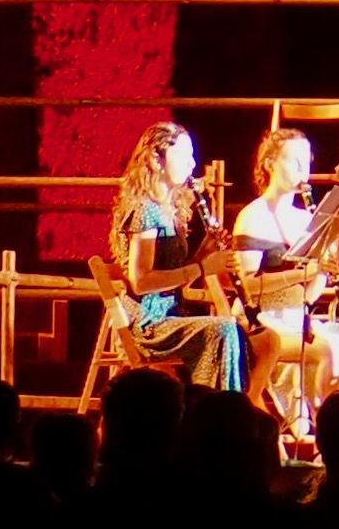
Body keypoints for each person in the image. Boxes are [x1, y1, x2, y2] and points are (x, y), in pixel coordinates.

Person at [228, 124, 339, 428]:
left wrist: (325, 262)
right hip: (260, 318)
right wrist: (301, 272)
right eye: (293, 160)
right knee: (331, 348)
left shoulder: (305, 219)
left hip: (296, 315)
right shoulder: (253, 216)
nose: (303, 169)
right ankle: (325, 425)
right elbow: (247, 285)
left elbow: (310, 295)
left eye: (307, 161)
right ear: (270, 163)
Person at [103, 123, 247, 392]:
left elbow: (175, 274)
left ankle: (216, 409)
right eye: (182, 156)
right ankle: (213, 411)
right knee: (224, 330)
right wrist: (203, 268)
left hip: (170, 314)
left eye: (192, 155)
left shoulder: (169, 210)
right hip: (148, 323)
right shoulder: (145, 210)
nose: (191, 164)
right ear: (157, 160)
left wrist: (207, 249)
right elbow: (142, 281)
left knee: (236, 330)